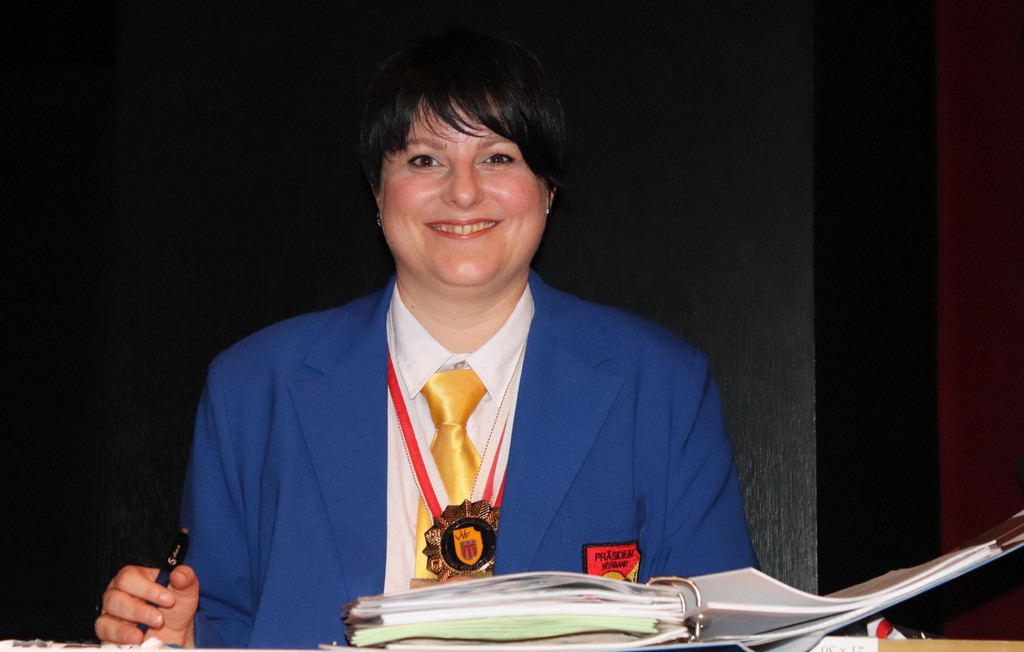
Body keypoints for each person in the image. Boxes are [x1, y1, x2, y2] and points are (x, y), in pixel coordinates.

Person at [95, 28, 757, 648]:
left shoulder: (660, 386)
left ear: (548, 189)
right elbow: (218, 623)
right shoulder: (253, 389)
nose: (463, 192)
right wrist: (177, 637)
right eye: (424, 159)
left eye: (497, 157)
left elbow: (724, 633)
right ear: (377, 191)